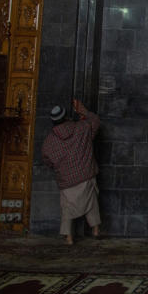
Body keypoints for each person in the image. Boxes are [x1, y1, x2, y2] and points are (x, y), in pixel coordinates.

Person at [41, 98, 101, 244]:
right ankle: (96, 229)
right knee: (91, 201)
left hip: (67, 180)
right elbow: (96, 121)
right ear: (66, 116)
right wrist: (83, 110)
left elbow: (47, 160)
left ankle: (69, 237)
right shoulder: (82, 128)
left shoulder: (49, 141)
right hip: (85, 174)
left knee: (67, 208)